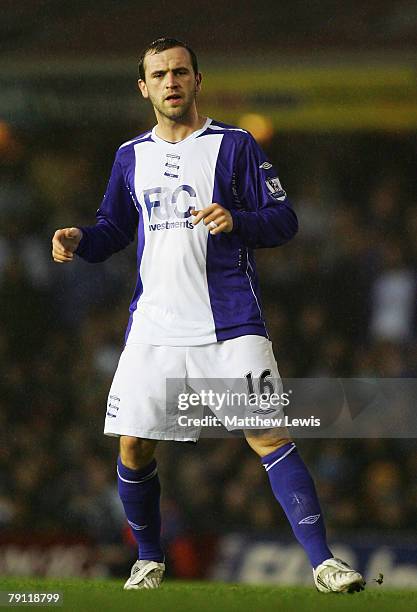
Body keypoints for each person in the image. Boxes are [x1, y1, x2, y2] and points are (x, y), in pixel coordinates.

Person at [52, 37, 365, 594]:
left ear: (198, 80)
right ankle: (148, 560)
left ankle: (324, 563)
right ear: (143, 87)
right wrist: (81, 239)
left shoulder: (236, 144)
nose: (171, 82)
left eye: (180, 72)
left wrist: (237, 220)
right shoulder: (131, 155)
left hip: (230, 320)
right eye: (160, 74)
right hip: (154, 326)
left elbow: (284, 221)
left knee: (267, 435)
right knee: (132, 444)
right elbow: (115, 230)